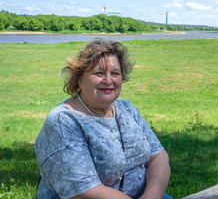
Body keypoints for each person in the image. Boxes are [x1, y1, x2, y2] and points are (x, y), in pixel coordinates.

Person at [35, 39, 171, 199]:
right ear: (79, 79)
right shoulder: (63, 121)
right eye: (99, 73)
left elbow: (158, 156)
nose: (108, 80)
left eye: (115, 73)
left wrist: (152, 195)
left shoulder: (127, 109)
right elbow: (84, 191)